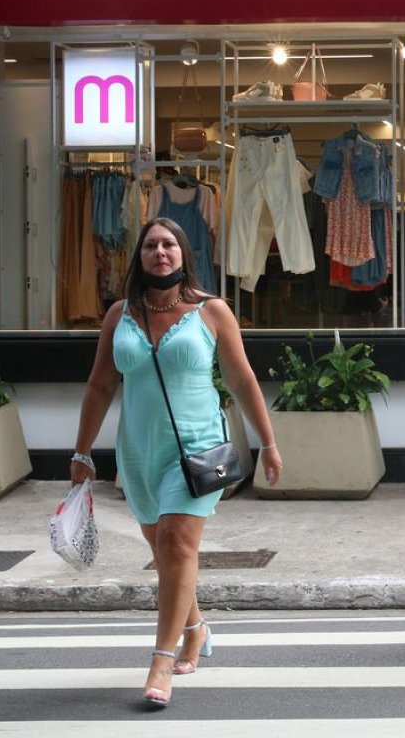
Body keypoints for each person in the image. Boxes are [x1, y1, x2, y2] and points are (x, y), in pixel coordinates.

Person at [68, 218, 283, 709]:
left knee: (176, 542)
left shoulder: (212, 311)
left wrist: (268, 442)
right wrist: (82, 452)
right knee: (166, 552)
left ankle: (161, 660)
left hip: (198, 449)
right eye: (150, 245)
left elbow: (242, 380)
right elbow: (101, 385)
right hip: (139, 451)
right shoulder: (120, 314)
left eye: (169, 244)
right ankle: (196, 627)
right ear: (139, 256)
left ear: (184, 254)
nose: (160, 252)